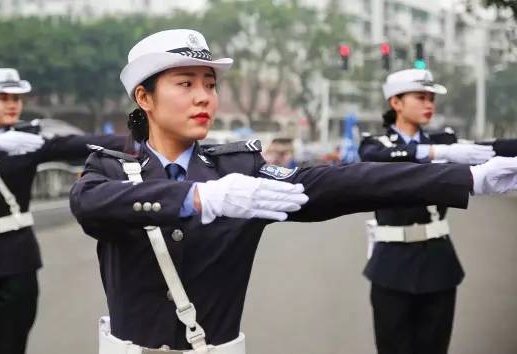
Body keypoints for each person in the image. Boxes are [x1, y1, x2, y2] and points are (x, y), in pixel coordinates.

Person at [69, 29, 517, 354]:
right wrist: (199, 198)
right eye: (185, 84)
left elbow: (339, 183)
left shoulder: (238, 170)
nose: (204, 97)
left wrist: (470, 178)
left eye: (209, 84)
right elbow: (90, 204)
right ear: (144, 98)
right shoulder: (112, 168)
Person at [0, 68, 126, 354]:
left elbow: (82, 143)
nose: (12, 104)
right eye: (2, 97)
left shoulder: (29, 139)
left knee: (12, 345)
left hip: (16, 258)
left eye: (17, 98)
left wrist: (151, 136)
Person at [358, 68, 517, 354]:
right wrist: (435, 154)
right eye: (421, 97)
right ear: (396, 102)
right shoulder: (376, 144)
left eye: (432, 98)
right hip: (391, 266)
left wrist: (451, 150)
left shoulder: (445, 140)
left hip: (438, 263)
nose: (429, 104)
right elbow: (374, 159)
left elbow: (493, 148)